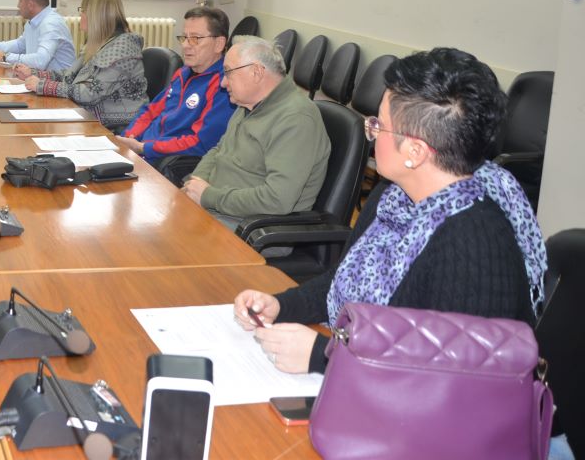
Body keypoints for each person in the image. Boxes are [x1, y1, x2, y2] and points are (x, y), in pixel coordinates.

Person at [233, 48, 547, 376]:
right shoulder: (392, 196)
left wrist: (322, 357)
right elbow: (343, 282)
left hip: (414, 400)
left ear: (415, 151)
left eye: (378, 125)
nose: (370, 133)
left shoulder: (475, 244)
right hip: (359, 373)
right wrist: (282, 305)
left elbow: (453, 376)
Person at [181, 36, 330, 229]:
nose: (223, 83)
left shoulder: (296, 119)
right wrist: (196, 183)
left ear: (257, 72)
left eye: (228, 73)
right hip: (216, 209)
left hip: (250, 226)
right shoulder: (248, 104)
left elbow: (277, 199)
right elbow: (219, 150)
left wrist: (208, 196)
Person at [116, 6, 237, 184]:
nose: (186, 45)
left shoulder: (224, 85)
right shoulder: (183, 73)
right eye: (184, 37)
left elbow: (201, 142)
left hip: (164, 164)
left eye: (195, 38)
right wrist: (128, 137)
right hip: (142, 153)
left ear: (219, 44)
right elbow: (151, 111)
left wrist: (144, 148)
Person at [12, 0, 147, 131]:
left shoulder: (122, 48)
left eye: (83, 10)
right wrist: (33, 73)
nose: (80, 15)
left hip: (118, 128)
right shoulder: (98, 43)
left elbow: (91, 92)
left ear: (96, 16)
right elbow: (70, 75)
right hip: (90, 117)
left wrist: (43, 85)